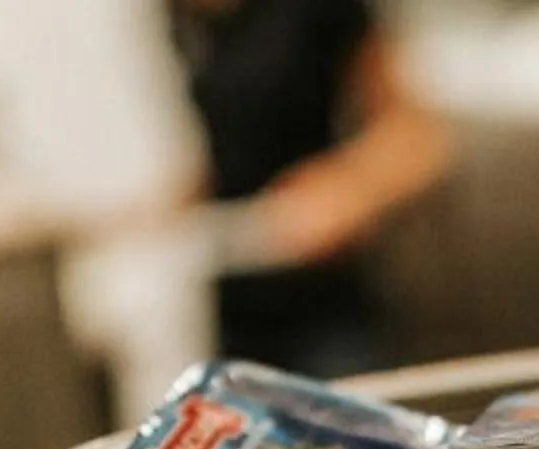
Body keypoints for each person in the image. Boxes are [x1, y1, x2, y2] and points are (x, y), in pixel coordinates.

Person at [172, 0, 450, 376]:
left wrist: (346, 190)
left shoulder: (310, 10)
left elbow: (415, 134)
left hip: (312, 304)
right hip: (174, 306)